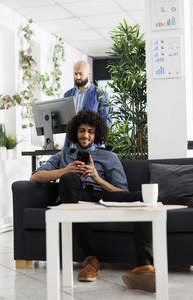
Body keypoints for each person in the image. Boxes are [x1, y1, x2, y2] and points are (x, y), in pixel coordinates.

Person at [30, 109, 155, 293]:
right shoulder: (63, 155)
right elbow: (35, 177)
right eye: (82, 130)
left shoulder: (109, 157)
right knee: (68, 179)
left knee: (139, 196)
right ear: (75, 132)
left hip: (101, 196)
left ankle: (144, 264)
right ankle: (90, 258)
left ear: (96, 134)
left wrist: (98, 178)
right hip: (75, 197)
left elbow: (122, 191)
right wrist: (65, 171)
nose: (86, 135)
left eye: (90, 131)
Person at [64, 60, 111, 125]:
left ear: (89, 73)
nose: (78, 77)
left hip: (91, 134)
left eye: (81, 74)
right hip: (71, 135)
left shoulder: (100, 94)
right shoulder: (67, 94)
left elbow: (107, 122)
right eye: (75, 74)